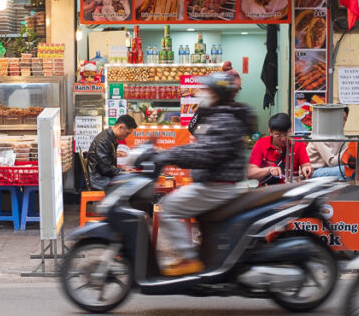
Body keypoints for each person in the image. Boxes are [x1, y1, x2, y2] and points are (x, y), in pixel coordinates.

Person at [153, 72, 255, 276]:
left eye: (206, 90)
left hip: (217, 186)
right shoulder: (219, 116)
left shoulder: (224, 120)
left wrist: (168, 155)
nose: (202, 94)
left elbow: (205, 153)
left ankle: (187, 259)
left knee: (169, 206)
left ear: (215, 94)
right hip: (213, 184)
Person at [247, 113, 312, 184]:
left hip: (290, 188)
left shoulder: (297, 143)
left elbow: (306, 165)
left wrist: (307, 169)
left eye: (287, 134)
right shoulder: (261, 144)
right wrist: (269, 170)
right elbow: (250, 173)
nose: (283, 139)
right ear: (270, 132)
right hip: (268, 189)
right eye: (278, 135)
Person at [85, 115, 137, 192]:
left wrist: (123, 170)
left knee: (132, 181)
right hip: (99, 180)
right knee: (133, 184)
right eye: (127, 133)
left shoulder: (108, 137)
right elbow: (105, 169)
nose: (126, 137)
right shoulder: (104, 140)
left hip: (101, 177)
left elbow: (107, 165)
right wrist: (123, 171)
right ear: (120, 127)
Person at [309, 107, 350, 178]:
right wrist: (349, 151)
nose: (342, 122)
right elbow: (331, 162)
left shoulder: (338, 135)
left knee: (354, 168)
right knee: (346, 170)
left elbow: (343, 156)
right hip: (313, 171)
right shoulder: (321, 134)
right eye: (339, 118)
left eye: (344, 119)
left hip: (327, 169)